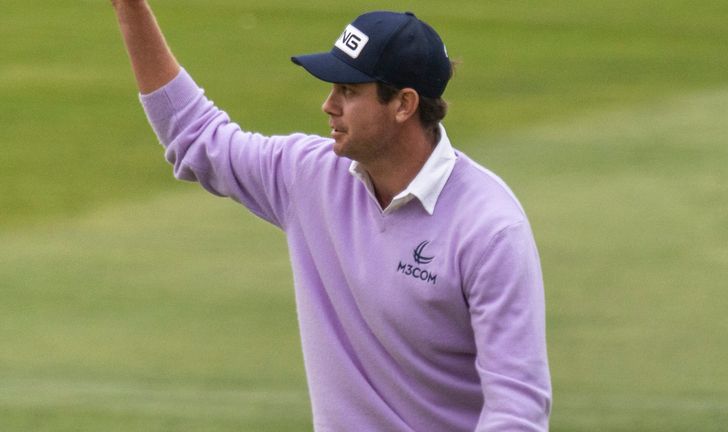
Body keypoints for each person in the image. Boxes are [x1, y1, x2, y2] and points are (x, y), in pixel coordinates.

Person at [111, 1, 552, 430]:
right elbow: (196, 137)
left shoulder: (490, 230)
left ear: (403, 104)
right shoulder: (311, 175)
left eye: (349, 91)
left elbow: (517, 410)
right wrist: (129, 6)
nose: (328, 105)